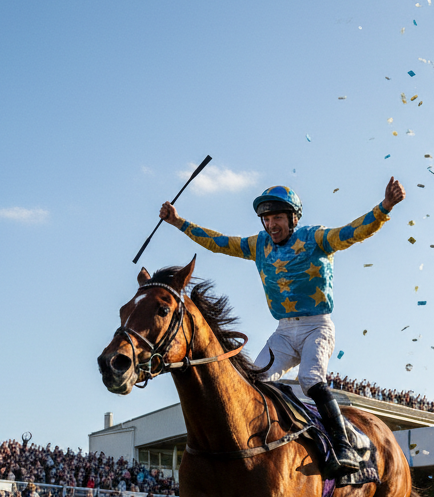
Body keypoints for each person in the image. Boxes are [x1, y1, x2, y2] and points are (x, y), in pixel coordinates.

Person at [159, 177, 405, 477]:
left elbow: (351, 232)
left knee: (309, 379)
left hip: (317, 326)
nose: (271, 225)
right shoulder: (258, 244)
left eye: (277, 217)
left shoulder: (316, 238)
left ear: (293, 218)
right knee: (253, 380)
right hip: (284, 331)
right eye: (266, 219)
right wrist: (178, 222)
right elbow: (218, 242)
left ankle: (343, 446)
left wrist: (384, 207)